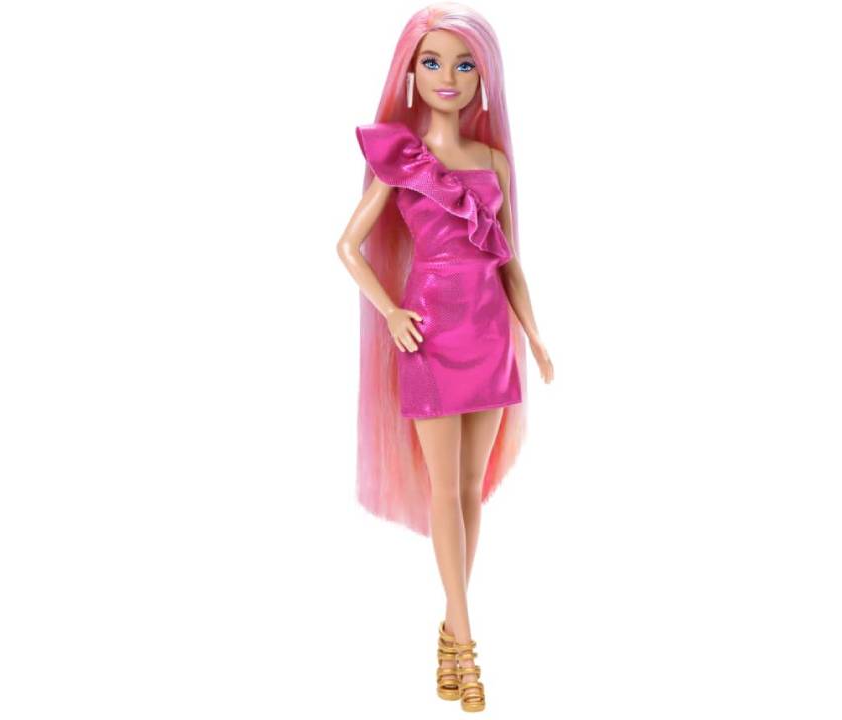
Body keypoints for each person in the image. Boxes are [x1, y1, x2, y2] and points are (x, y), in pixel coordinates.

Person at [334, 3, 554, 712]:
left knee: (468, 488)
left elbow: (508, 259)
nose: (448, 77)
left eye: (464, 65)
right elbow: (347, 246)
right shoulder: (400, 158)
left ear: (484, 79)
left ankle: (451, 625)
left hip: (490, 334)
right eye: (432, 62)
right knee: (441, 490)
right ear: (410, 72)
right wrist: (391, 311)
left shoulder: (493, 162)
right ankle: (464, 645)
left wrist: (534, 333)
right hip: (428, 334)